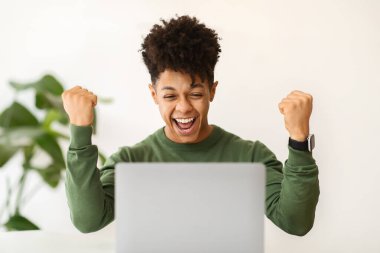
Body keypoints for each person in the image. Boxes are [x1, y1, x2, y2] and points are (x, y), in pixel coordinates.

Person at [62, 15, 319, 236]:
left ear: (212, 91)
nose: (184, 107)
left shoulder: (250, 156)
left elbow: (295, 222)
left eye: (195, 94)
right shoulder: (131, 162)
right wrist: (80, 132)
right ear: (154, 95)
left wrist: (298, 140)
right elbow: (88, 220)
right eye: (170, 96)